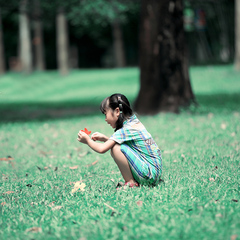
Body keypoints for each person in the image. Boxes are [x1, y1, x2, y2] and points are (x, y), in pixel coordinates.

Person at [77, 93, 162, 188]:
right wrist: (106, 139)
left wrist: (87, 140)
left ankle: (131, 183)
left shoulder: (125, 130)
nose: (105, 119)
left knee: (116, 149)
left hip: (148, 175)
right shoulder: (133, 122)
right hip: (153, 173)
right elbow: (128, 146)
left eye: (106, 114)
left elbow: (102, 149)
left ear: (117, 111)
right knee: (116, 146)